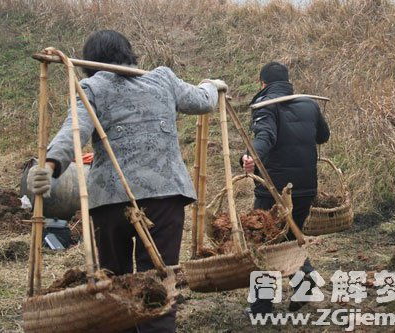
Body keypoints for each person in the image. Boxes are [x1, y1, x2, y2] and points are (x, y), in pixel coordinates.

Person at [26, 30, 227, 332]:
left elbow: (75, 129)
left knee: (114, 282)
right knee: (157, 282)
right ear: (128, 54)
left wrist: (52, 165)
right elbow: (202, 100)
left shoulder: (91, 86)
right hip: (164, 197)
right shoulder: (163, 79)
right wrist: (212, 85)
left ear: (89, 62)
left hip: (110, 202)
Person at [242, 62, 330, 314]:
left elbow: (264, 137)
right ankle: (306, 282)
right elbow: (323, 136)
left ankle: (261, 305)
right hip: (305, 187)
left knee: (264, 242)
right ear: (287, 81)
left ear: (263, 83)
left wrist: (249, 157)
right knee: (292, 236)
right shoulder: (309, 104)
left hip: (274, 189)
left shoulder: (265, 106)